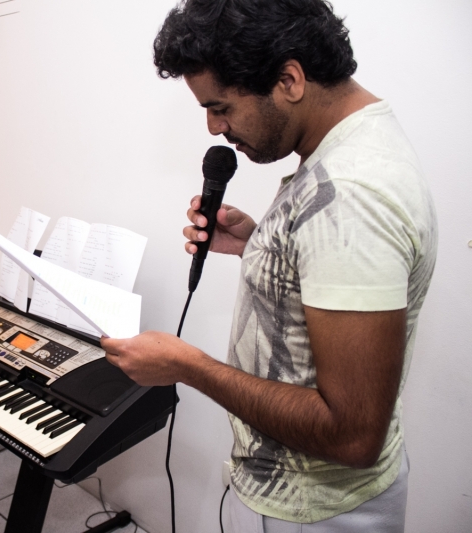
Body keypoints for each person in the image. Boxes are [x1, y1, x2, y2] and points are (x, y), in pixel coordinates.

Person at [101, 0, 437, 531]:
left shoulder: (350, 196)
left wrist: (188, 366)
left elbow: (351, 434)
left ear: (289, 79)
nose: (215, 127)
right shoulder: (348, 149)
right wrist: (264, 246)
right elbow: (331, 260)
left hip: (314, 510)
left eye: (222, 107)